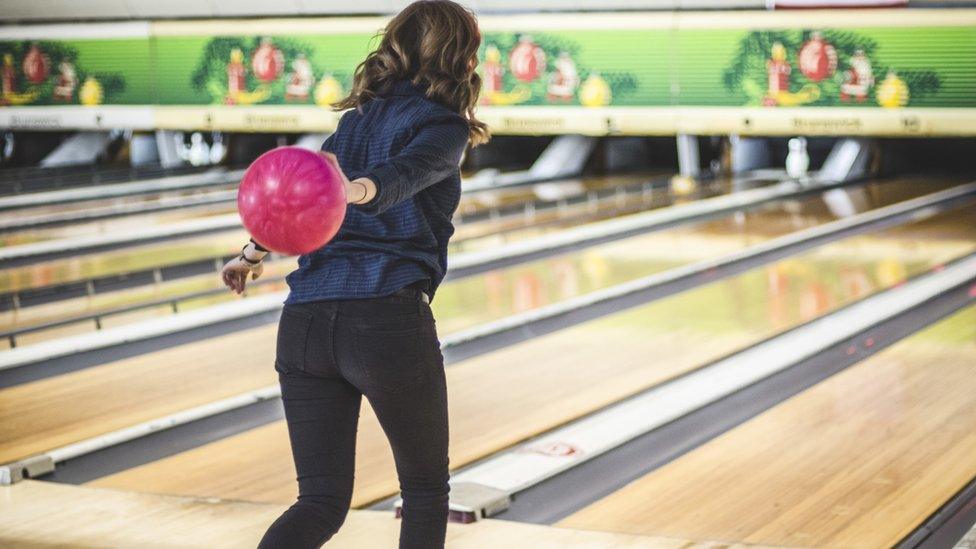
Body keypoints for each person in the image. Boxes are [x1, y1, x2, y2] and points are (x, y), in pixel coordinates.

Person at [221, 2, 489, 547]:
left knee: (318, 503)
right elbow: (405, 174)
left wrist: (251, 253)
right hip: (384, 319)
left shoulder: (352, 124)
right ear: (460, 55)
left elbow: (299, 197)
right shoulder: (444, 126)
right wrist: (359, 190)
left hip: (304, 324)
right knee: (424, 492)